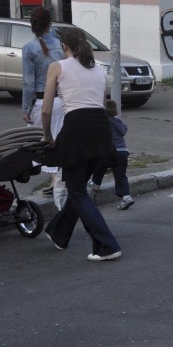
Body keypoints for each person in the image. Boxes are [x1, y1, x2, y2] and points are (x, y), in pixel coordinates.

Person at [42, 27, 122, 261]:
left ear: (64, 46)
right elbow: (101, 103)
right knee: (78, 187)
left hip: (77, 130)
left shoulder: (57, 66)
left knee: (76, 191)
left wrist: (47, 136)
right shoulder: (98, 69)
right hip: (101, 130)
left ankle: (107, 245)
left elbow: (46, 110)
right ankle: (59, 233)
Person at [21, 7, 66, 209]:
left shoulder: (29, 48)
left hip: (42, 103)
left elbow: (28, 83)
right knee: (60, 146)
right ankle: (58, 185)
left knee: (43, 149)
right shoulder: (61, 45)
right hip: (63, 102)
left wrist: (25, 109)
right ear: (50, 24)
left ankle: (59, 193)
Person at [89, 99, 135, 210]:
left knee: (100, 166)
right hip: (123, 152)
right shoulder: (118, 122)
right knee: (121, 176)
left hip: (109, 151)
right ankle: (126, 196)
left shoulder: (102, 123)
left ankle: (96, 183)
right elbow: (124, 130)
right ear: (116, 112)